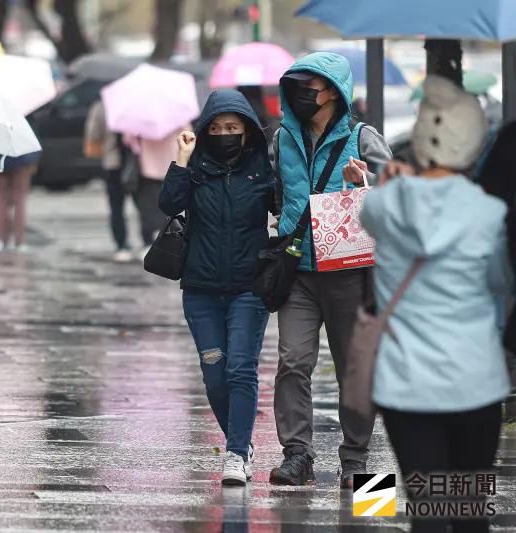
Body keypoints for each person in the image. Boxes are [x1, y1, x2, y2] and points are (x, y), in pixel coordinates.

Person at [361, 75, 512, 533]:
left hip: (406, 385)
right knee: (468, 514)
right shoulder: (488, 213)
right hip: (476, 382)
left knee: (426, 512)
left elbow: (372, 208)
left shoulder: (384, 206)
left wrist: (393, 180)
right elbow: (501, 284)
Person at [270, 52, 392, 488]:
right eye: (296, 86)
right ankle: (297, 455)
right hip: (298, 271)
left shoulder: (363, 137)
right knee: (292, 361)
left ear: (335, 91)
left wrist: (367, 181)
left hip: (349, 271)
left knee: (354, 366)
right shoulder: (282, 138)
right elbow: (275, 192)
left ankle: (357, 459)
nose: (302, 94)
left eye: (311, 86)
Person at [159, 89, 275, 485]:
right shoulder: (196, 167)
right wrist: (182, 159)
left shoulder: (263, 168)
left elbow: (290, 208)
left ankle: (237, 454)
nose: (226, 133)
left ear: (247, 131)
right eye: (218, 127)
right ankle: (238, 442)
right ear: (207, 130)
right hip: (201, 289)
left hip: (249, 288)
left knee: (241, 368)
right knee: (215, 374)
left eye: (234, 127)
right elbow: (168, 203)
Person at [84, 101, 132, 262]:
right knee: (145, 203)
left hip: (113, 162)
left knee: (116, 206)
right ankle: (148, 241)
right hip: (138, 163)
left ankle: (121, 245)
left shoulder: (102, 106)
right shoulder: (138, 104)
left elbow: (93, 135)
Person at [127, 130, 184, 257]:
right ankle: (169, 242)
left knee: (146, 207)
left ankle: (148, 242)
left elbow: (128, 140)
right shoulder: (176, 116)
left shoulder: (140, 120)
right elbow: (187, 134)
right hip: (170, 165)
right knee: (169, 207)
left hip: (148, 168)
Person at [0, 151, 41, 252]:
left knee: (2, 200)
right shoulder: (23, 135)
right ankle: (19, 241)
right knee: (20, 200)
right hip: (22, 161)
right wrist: (33, 160)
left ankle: (3, 240)